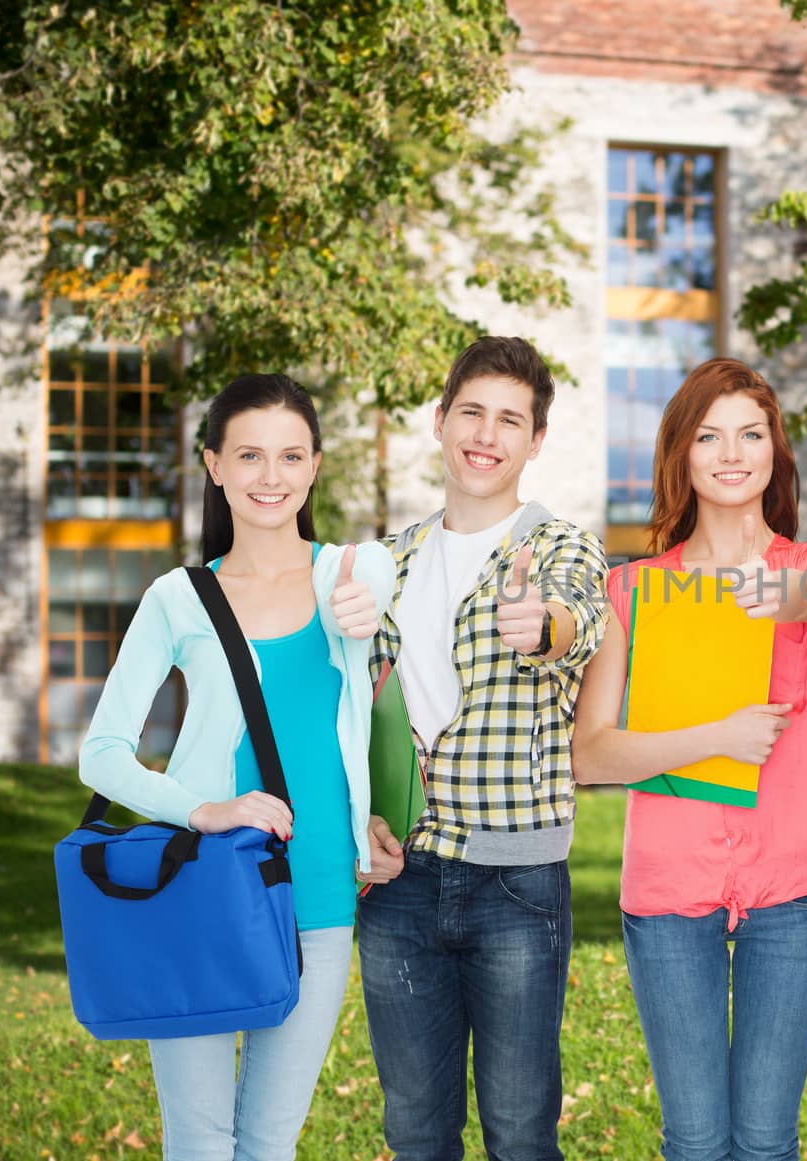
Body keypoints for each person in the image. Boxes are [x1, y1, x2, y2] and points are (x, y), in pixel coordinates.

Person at [80, 373, 403, 1161]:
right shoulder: (177, 598)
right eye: (250, 455)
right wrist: (205, 809)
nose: (272, 476)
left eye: (291, 455)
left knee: (268, 1142)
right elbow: (102, 753)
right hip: (203, 886)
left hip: (322, 892)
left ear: (316, 466)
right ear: (214, 465)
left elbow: (380, 603)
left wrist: (372, 817)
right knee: (198, 1140)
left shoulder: (354, 576)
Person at [572, 357, 807, 1161]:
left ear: (775, 449)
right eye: (709, 435)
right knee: (696, 1139)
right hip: (669, 890)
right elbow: (591, 753)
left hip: (794, 886)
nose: (732, 452)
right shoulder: (631, 590)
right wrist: (717, 737)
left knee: (766, 1139)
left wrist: (775, 595)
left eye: (750, 433)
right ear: (682, 455)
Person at [356, 336, 609, 1161]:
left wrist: (543, 625)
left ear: (535, 441)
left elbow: (578, 621)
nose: (486, 433)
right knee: (417, 1129)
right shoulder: (385, 561)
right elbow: (354, 712)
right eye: (472, 411)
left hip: (516, 884)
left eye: (511, 420)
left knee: (520, 1130)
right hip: (400, 882)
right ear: (440, 420)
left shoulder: (560, 548)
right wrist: (363, 821)